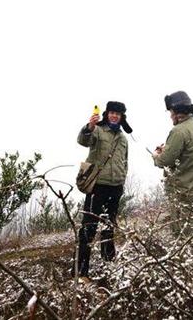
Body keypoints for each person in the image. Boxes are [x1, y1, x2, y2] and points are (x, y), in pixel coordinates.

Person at [74, 101, 132, 279]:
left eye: (118, 114)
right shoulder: (98, 131)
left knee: (109, 226)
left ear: (122, 117)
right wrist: (90, 126)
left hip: (115, 188)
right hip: (97, 187)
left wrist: (122, 179)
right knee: (88, 228)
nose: (114, 116)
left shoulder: (123, 138)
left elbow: (124, 161)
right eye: (112, 113)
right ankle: (80, 272)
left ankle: (109, 264)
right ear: (107, 114)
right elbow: (83, 140)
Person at [152, 91, 193, 235]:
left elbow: (164, 161)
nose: (170, 116)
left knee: (183, 238)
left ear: (177, 111)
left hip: (183, 194)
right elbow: (188, 154)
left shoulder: (178, 131)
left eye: (171, 112)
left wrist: (156, 156)